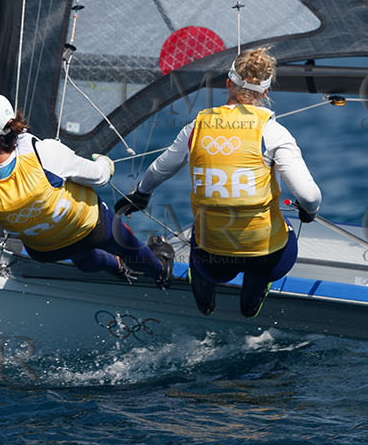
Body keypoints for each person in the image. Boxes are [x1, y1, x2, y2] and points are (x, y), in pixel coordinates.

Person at [116, 48, 320, 318]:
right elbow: (308, 195)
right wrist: (310, 210)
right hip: (264, 252)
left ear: (228, 83)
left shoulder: (196, 128)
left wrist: (142, 194)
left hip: (214, 254)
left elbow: (159, 170)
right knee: (285, 232)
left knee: (199, 242)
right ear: (266, 93)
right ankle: (251, 299)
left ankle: (205, 294)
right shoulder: (273, 132)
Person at [0, 91, 174, 285]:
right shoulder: (45, 152)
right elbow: (99, 177)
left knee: (79, 253)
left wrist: (17, 221)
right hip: (92, 229)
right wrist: (105, 163)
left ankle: (115, 267)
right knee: (125, 242)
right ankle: (160, 272)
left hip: (45, 252)